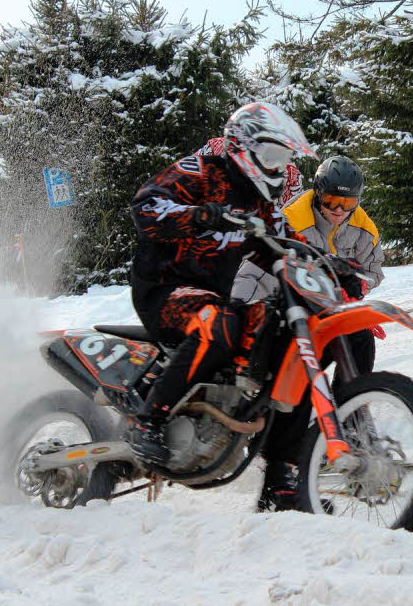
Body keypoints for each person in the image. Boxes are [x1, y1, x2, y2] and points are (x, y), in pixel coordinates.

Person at [126, 101, 318, 466]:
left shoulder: (260, 204)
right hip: (163, 292)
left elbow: (288, 245)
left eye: (284, 160)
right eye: (274, 156)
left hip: (212, 297)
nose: (278, 168)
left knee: (285, 339)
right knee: (218, 323)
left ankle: (281, 479)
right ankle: (147, 421)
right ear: (243, 146)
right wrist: (202, 214)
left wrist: (333, 265)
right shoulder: (200, 172)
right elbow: (145, 208)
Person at [231, 155, 386, 512]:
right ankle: (279, 453)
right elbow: (252, 272)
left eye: (347, 204)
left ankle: (353, 420)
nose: (338, 210)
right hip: (281, 310)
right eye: (331, 202)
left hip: (323, 311)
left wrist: (356, 287)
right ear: (317, 195)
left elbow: (374, 271)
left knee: (359, 336)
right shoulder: (291, 218)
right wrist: (244, 313)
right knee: (298, 361)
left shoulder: (363, 229)